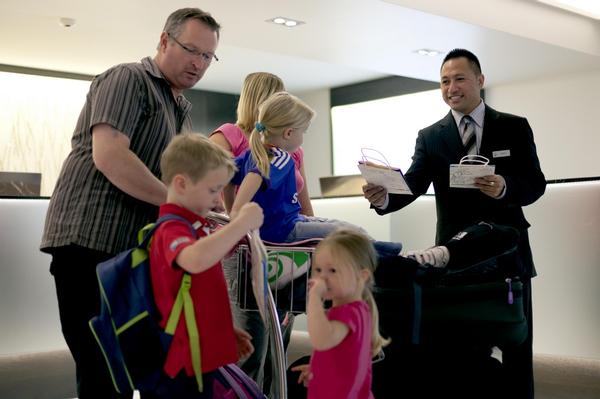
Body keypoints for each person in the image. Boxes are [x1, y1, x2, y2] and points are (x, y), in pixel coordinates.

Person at [39, 8, 221, 398]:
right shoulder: (128, 78)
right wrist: (179, 204)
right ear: (163, 41)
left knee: (124, 372)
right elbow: (110, 156)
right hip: (89, 244)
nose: (198, 63)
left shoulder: (180, 109)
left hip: (128, 254)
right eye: (192, 50)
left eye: (208, 56)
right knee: (102, 370)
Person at [363, 48, 546, 398]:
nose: (452, 87)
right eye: (445, 81)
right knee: (459, 350)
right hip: (455, 258)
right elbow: (413, 184)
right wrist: (383, 197)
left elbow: (535, 183)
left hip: (508, 256)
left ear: (479, 80)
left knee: (517, 347)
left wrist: (506, 186)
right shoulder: (431, 136)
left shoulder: (513, 126)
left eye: (459, 78)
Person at [142, 133, 263, 397]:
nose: (219, 199)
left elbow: (190, 293)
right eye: (212, 190)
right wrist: (240, 224)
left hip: (198, 355)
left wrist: (220, 327)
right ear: (181, 184)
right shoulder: (171, 229)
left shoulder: (194, 227)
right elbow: (194, 260)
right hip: (180, 364)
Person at [226, 91, 401, 258]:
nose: (303, 137)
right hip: (283, 231)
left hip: (288, 222)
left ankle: (376, 245)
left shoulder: (251, 154)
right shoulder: (279, 158)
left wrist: (231, 209)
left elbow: (228, 177)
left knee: (344, 226)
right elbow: (256, 176)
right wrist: (235, 212)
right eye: (304, 132)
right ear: (289, 133)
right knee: (346, 233)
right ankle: (382, 255)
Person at [290, 229, 390, 399]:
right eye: (318, 269)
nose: (323, 277)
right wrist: (319, 369)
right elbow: (345, 358)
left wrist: (314, 298)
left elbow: (321, 340)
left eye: (333, 271)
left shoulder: (348, 314)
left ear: (362, 276)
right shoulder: (359, 309)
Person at [209, 72, 314, 216]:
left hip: (289, 228)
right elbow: (210, 188)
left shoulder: (293, 149)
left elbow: (305, 207)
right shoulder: (227, 136)